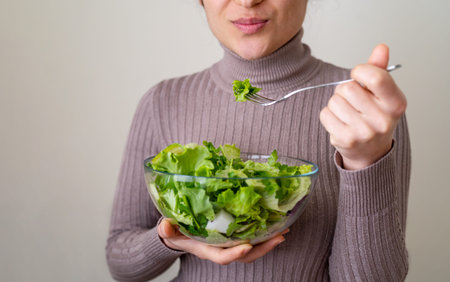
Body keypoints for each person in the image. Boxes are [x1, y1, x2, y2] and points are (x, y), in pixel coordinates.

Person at [106, 0, 410, 281]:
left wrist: (365, 162)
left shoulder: (363, 111)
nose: (248, 0)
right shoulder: (162, 102)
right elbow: (120, 262)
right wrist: (169, 238)